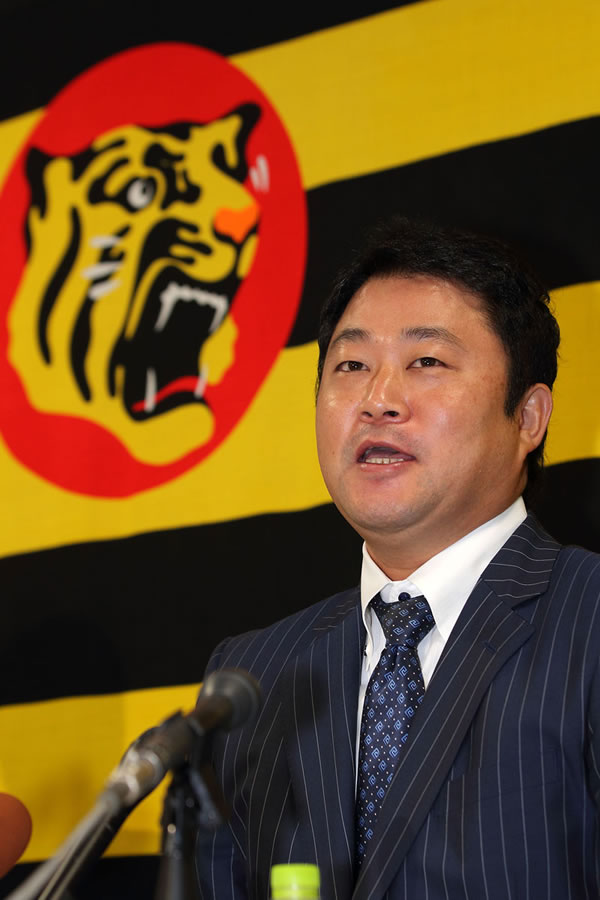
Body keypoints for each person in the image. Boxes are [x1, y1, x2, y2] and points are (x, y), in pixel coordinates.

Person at [197, 218, 600, 900]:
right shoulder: (253, 678)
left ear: (529, 418)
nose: (377, 401)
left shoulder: (586, 620)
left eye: (427, 363)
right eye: (351, 366)